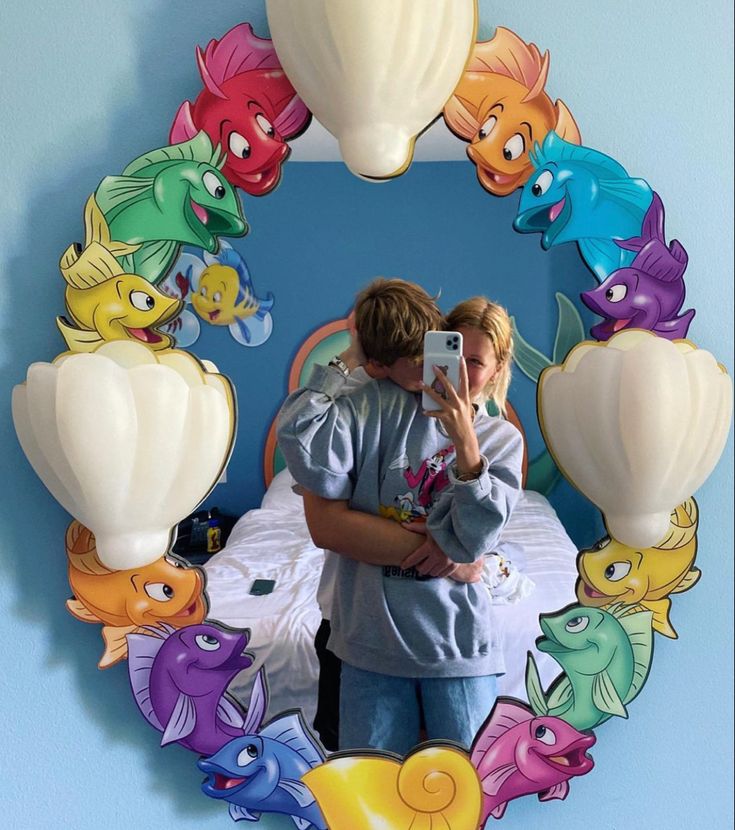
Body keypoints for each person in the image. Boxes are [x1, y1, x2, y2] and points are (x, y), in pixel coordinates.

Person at [277, 279, 523, 755]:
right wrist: (352, 356)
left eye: (475, 362)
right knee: (368, 796)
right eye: (450, 353)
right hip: (370, 641)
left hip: (459, 647)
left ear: (496, 372)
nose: (459, 371)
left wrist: (466, 445)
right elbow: (309, 456)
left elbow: (472, 540)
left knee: (467, 794)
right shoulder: (370, 406)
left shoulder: (500, 442)